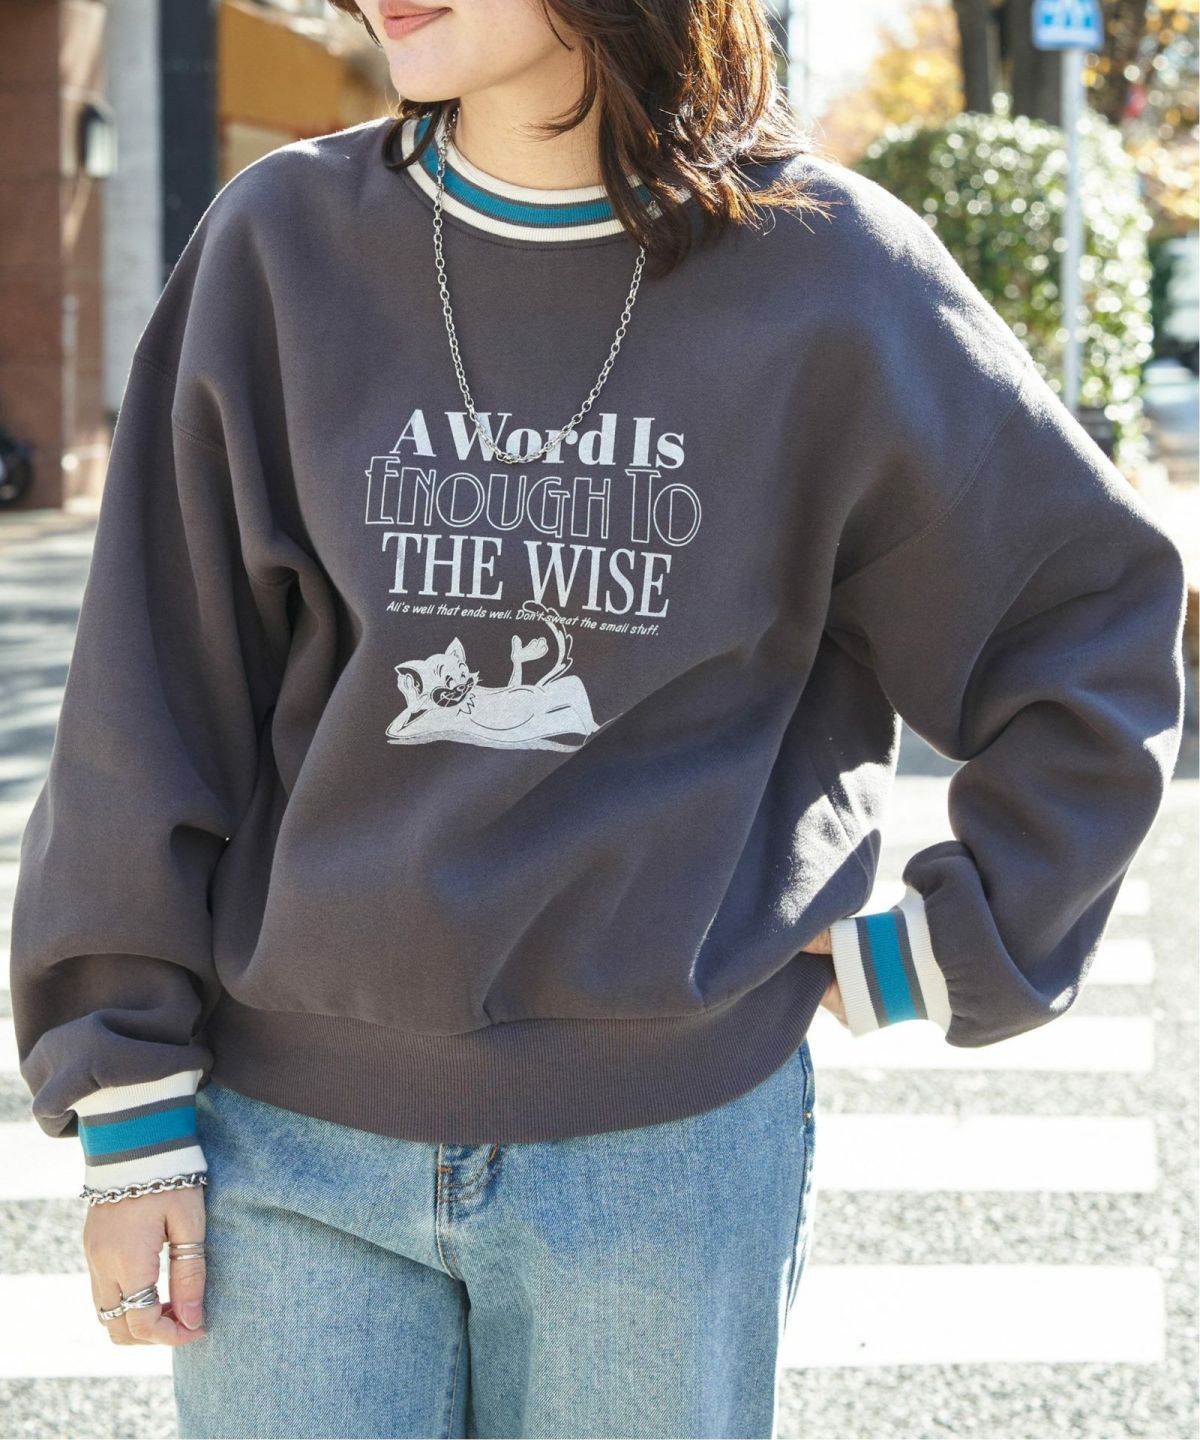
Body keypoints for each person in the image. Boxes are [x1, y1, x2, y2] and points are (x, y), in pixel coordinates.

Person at [8, 1, 1187, 1437]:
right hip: (288, 1151)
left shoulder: (830, 273)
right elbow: (150, 692)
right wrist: (125, 1098)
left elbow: (1084, 620)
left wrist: (954, 942)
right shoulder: (282, 248)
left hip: (663, 1165)